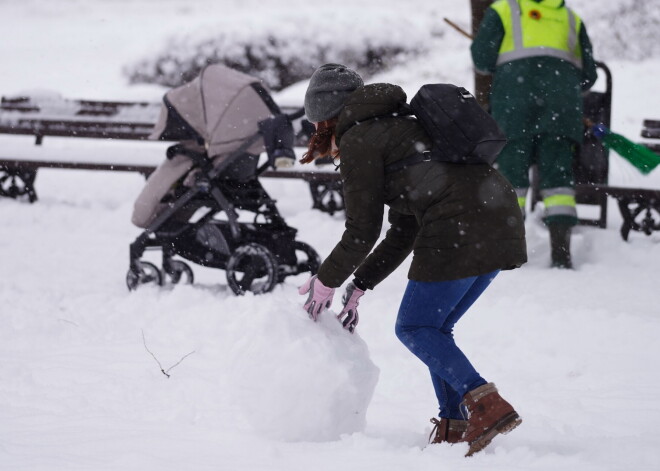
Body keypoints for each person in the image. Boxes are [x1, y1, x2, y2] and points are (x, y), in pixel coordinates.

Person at [297, 63, 527, 457]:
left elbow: (361, 230)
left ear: (325, 118)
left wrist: (326, 281)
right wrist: (361, 284)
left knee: (415, 327)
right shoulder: (401, 125)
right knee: (435, 328)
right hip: (498, 215)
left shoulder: (361, 139)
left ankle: (486, 404)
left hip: (457, 224)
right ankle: (455, 424)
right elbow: (402, 228)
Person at [471, 0, 598, 268]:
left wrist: (513, 69)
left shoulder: (503, 10)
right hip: (562, 111)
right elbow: (589, 76)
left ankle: (506, 254)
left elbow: (482, 60)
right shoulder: (571, 19)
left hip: (515, 107)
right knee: (558, 184)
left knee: (511, 182)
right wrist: (559, 83)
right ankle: (561, 255)